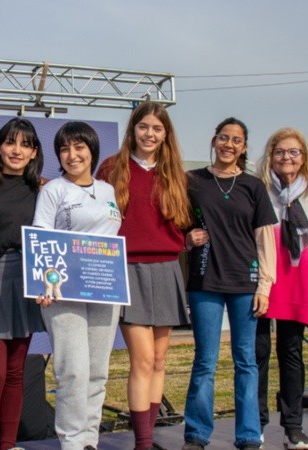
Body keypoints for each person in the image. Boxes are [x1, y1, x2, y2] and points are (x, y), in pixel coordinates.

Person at [95, 101, 191, 450]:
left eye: (157, 129)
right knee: (143, 359)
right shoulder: (111, 168)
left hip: (166, 270)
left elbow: (183, 222)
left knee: (161, 361)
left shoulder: (175, 172)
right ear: (132, 129)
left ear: (166, 135)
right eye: (144, 127)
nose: (150, 134)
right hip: (127, 269)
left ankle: (148, 438)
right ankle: (144, 443)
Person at [182, 117, 277, 450]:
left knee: (246, 361)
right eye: (224, 138)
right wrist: (187, 239)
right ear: (214, 140)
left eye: (236, 140)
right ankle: (196, 433)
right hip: (204, 280)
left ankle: (249, 434)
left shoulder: (253, 186)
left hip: (245, 283)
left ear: (244, 147)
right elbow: (175, 224)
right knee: (205, 360)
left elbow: (265, 239)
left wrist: (265, 286)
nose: (229, 145)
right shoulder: (191, 181)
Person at [32, 121, 122, 450]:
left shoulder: (108, 191)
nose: (72, 155)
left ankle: (89, 441)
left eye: (79, 147)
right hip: (63, 291)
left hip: (104, 288)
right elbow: (41, 235)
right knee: (73, 369)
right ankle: (71, 442)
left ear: (92, 150)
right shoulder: (53, 190)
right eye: (65, 149)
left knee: (97, 370)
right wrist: (45, 280)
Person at [0, 118, 45, 450]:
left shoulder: (42, 190)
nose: (17, 150)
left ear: (33, 153)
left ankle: (8, 444)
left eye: (25, 144)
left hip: (26, 280)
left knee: (15, 372)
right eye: (10, 142)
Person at [254, 128, 308, 450]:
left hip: (299, 279)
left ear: (304, 158)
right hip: (264, 277)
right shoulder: (258, 190)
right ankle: (255, 422)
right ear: (270, 155)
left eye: (294, 152)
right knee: (258, 352)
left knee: (291, 352)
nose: (287, 157)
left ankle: (293, 426)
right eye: (280, 151)